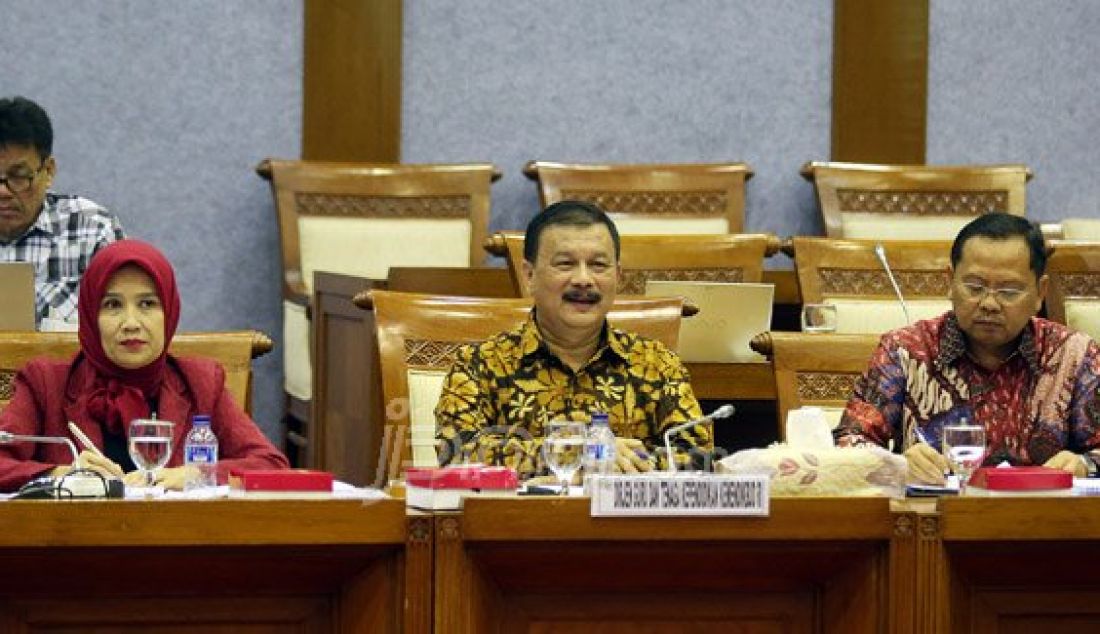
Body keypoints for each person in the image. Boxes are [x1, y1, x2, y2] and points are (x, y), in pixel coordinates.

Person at [434, 200, 712, 480]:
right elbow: (456, 454)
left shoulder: (656, 364)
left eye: (598, 265)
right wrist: (578, 453)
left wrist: (618, 465)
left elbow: (699, 458)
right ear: (529, 276)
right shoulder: (479, 365)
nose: (583, 279)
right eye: (565, 264)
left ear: (617, 276)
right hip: (520, 523)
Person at [0, 239, 288, 492]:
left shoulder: (201, 382)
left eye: (147, 304)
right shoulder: (46, 383)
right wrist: (61, 475)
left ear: (169, 313)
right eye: (113, 305)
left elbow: (270, 464)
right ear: (90, 316)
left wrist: (196, 474)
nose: (131, 323)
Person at [835, 212, 1100, 484]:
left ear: (1040, 293)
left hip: (1044, 520)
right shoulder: (905, 350)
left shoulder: (1074, 355)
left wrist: (1084, 463)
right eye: (974, 287)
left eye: (1008, 291)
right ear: (950, 282)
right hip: (937, 519)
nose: (989, 304)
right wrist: (898, 465)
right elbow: (848, 442)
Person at [0, 96, 124, 325]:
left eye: (18, 176)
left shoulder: (92, 230)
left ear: (48, 171)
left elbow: (122, 325)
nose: (3, 192)